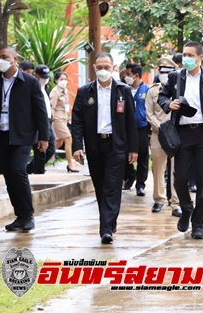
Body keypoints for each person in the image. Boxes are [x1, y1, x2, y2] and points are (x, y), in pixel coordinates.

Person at [71, 52, 138, 244]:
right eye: (99, 67)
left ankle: (106, 229)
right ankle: (109, 220)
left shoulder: (123, 91)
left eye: (106, 67)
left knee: (112, 186)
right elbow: (77, 121)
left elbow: (130, 122)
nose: (103, 71)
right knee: (100, 186)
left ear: (113, 68)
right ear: (94, 68)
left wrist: (133, 148)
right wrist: (77, 146)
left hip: (116, 145)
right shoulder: (85, 92)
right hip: (94, 145)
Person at [0, 45, 50, 232]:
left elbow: (40, 111)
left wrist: (44, 136)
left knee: (18, 171)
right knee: (9, 176)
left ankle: (28, 215)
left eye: (4, 56)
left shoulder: (29, 82)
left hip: (23, 135)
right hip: (2, 135)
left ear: (15, 59)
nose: (0, 61)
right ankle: (20, 216)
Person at [158, 41, 203, 240]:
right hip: (182, 134)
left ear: (200, 57)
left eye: (190, 55)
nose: (186, 58)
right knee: (179, 178)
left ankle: (198, 224)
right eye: (184, 54)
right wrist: (170, 103)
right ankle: (186, 208)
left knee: (202, 181)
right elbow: (162, 96)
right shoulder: (175, 77)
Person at [146, 57, 181, 216]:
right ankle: (158, 200)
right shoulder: (152, 90)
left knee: (176, 170)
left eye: (168, 72)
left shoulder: (178, 90)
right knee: (158, 168)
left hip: (174, 134)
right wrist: (160, 127)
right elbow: (149, 113)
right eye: (162, 71)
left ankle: (175, 203)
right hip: (157, 133)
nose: (165, 74)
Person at [122, 63, 150, 197]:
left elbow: (150, 110)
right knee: (123, 155)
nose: (126, 77)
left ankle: (140, 185)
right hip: (126, 129)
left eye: (128, 74)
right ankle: (130, 174)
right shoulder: (123, 89)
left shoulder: (147, 90)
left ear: (136, 75)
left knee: (143, 157)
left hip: (142, 128)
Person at [27, 64, 56, 175]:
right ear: (36, 75)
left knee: (51, 148)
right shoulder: (33, 88)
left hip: (48, 121)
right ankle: (39, 171)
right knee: (40, 149)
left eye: (46, 76)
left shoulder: (45, 89)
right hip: (38, 121)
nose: (45, 79)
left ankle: (30, 168)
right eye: (42, 77)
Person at [50, 71, 78, 173]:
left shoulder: (64, 91)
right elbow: (51, 107)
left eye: (65, 79)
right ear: (56, 80)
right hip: (57, 119)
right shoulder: (55, 92)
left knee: (58, 142)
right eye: (61, 79)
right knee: (68, 139)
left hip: (64, 118)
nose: (63, 81)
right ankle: (70, 163)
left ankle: (41, 158)